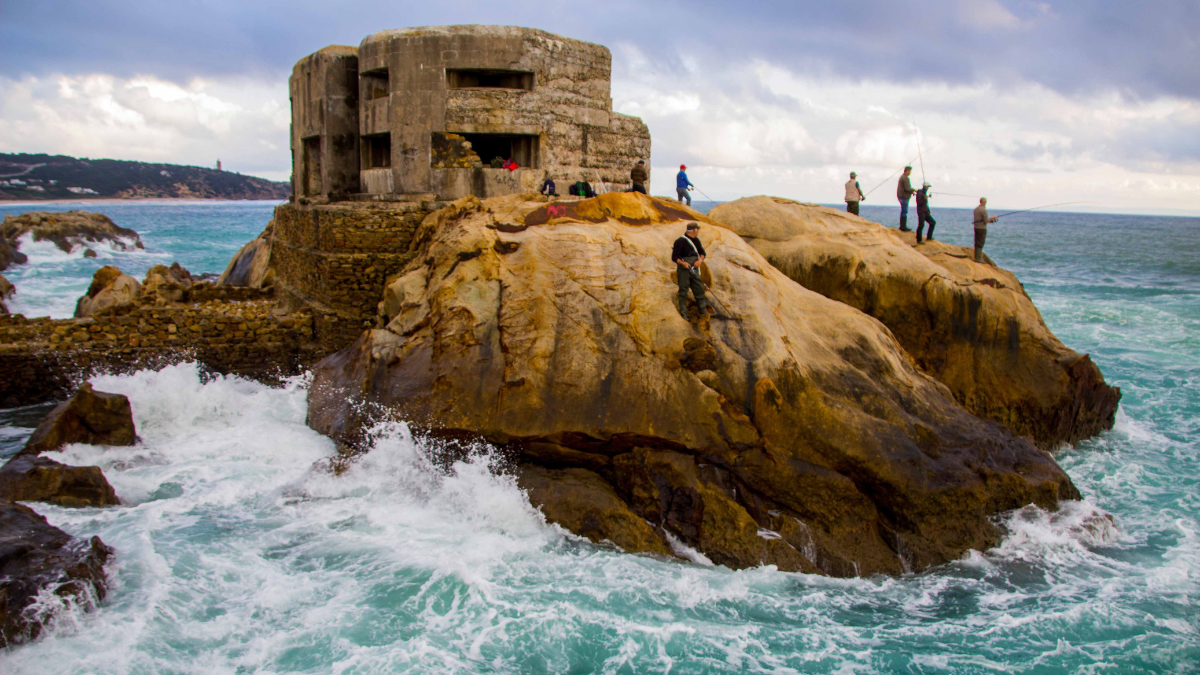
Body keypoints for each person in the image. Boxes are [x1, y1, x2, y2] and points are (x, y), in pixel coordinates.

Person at [671, 222, 709, 322]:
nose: (698, 231)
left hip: (695, 268)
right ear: (694, 230)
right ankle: (683, 314)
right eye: (697, 229)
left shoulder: (696, 240)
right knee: (683, 291)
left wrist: (699, 261)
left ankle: (703, 312)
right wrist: (683, 264)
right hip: (684, 269)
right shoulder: (680, 241)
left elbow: (702, 253)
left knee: (699, 289)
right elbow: (674, 257)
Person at [972, 197, 998, 262]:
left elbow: (981, 220)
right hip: (982, 228)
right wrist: (993, 218)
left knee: (976, 242)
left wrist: (990, 220)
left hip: (976, 227)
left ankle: (976, 257)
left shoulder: (976, 209)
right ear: (984, 202)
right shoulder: (984, 210)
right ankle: (978, 258)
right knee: (980, 243)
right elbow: (986, 221)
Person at [896, 166, 915, 231]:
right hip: (904, 197)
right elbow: (907, 188)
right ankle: (903, 227)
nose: (910, 173)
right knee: (904, 211)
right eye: (910, 171)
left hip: (901, 196)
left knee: (903, 211)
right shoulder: (905, 178)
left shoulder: (902, 177)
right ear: (907, 171)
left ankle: (902, 226)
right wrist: (914, 190)